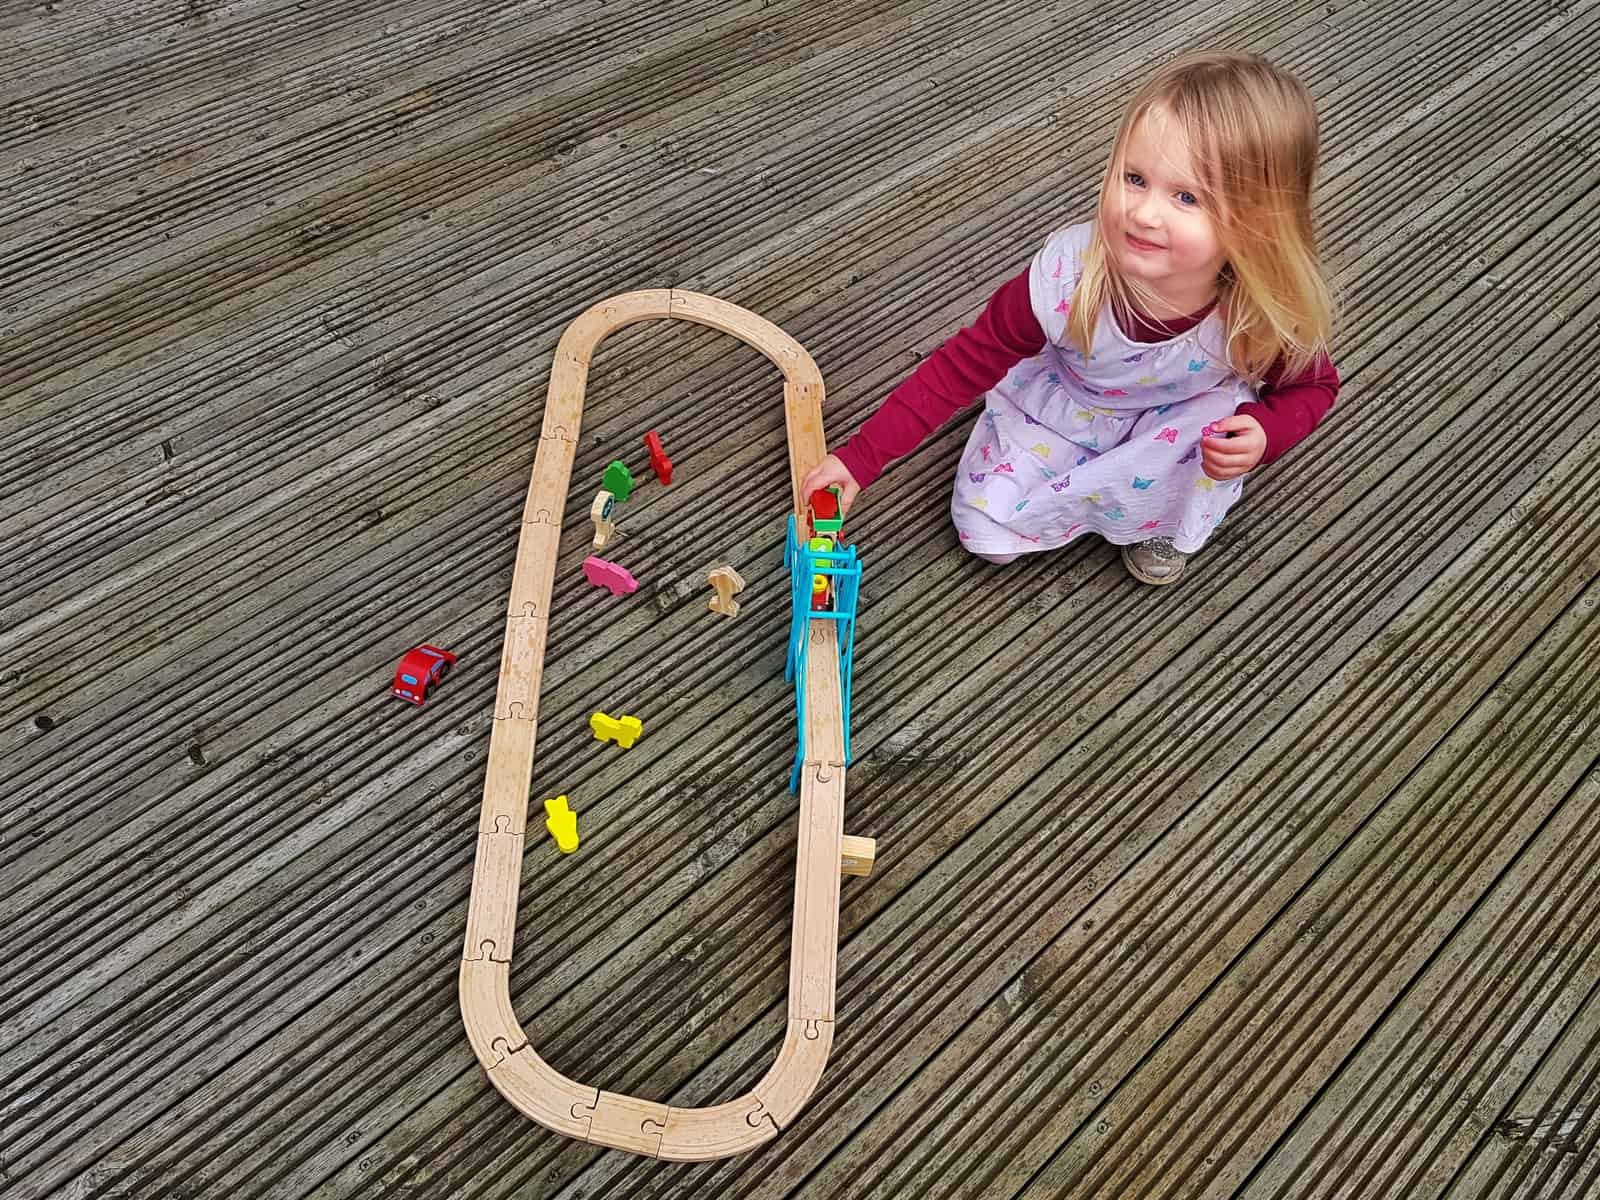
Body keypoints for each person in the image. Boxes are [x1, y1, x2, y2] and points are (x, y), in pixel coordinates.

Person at [800, 50, 1341, 586]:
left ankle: (1160, 523)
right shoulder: (1068, 275)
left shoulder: (1258, 309)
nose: (1145, 213)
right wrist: (859, 461)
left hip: (1170, 427)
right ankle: (1105, 496)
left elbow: (1313, 387)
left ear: (1257, 223)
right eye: (1134, 178)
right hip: (1065, 410)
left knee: (1210, 440)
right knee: (982, 528)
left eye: (1185, 196)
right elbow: (960, 366)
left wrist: (1267, 434)